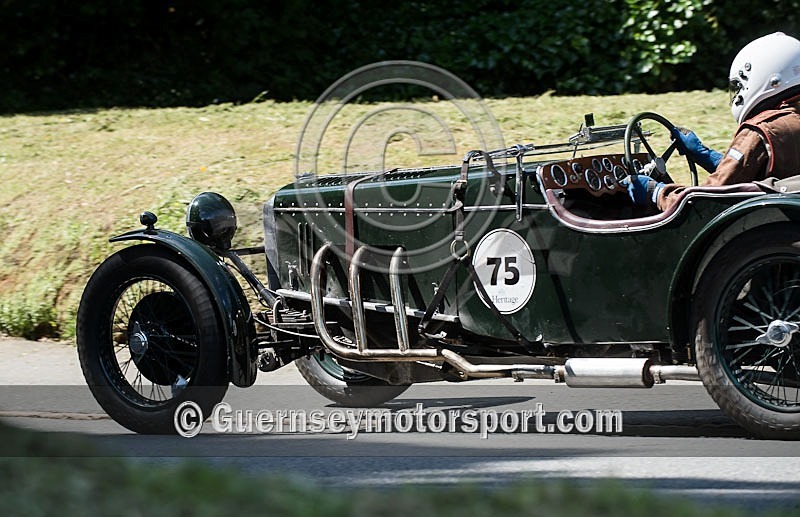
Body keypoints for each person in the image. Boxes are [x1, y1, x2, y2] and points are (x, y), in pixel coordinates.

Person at [627, 32, 800, 212]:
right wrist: (704, 154)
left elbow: (707, 202)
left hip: (767, 228)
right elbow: (751, 174)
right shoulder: (791, 121)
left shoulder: (762, 130)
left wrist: (656, 192)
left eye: (738, 86)